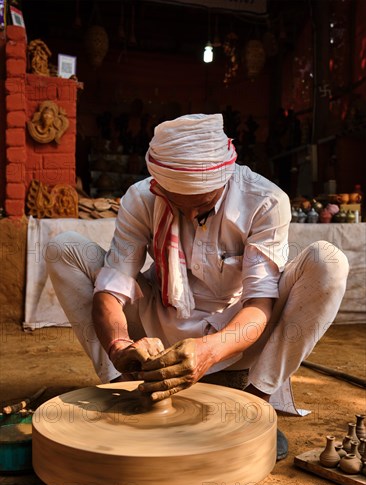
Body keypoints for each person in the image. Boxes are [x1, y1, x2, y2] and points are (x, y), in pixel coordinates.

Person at [46, 114, 349, 461]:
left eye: (203, 208)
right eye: (178, 205)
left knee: (329, 261)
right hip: (158, 324)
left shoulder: (265, 200)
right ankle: (124, 386)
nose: (191, 218)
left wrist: (209, 350)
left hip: (238, 332)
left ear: (224, 180)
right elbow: (113, 287)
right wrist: (118, 346)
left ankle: (256, 402)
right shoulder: (142, 198)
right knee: (64, 248)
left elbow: (260, 303)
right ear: (159, 186)